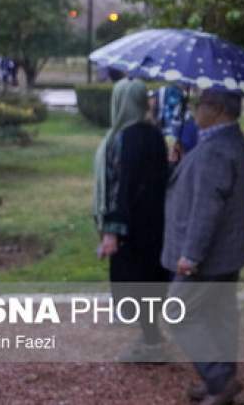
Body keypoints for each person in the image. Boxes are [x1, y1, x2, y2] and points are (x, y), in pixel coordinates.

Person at [163, 89, 244, 405]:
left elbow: (206, 207)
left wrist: (191, 255)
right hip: (228, 250)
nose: (194, 112)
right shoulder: (229, 141)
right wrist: (182, 164)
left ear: (216, 109)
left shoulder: (215, 149)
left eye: (199, 105)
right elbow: (208, 185)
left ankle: (218, 379)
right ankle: (222, 377)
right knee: (219, 313)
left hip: (208, 255)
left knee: (176, 311)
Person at [92, 78, 171, 362]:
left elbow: (119, 188)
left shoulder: (121, 139)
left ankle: (152, 346)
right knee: (149, 284)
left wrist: (111, 231)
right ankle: (152, 339)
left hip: (129, 227)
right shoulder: (155, 135)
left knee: (133, 285)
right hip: (155, 224)